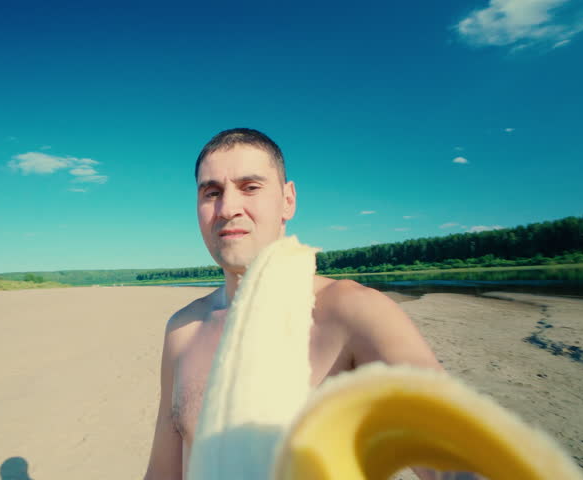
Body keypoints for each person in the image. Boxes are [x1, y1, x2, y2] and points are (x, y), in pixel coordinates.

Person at [143, 128, 445, 480]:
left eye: (250, 187)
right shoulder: (184, 330)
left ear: (288, 200)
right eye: (212, 193)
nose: (228, 208)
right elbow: (162, 472)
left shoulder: (354, 314)